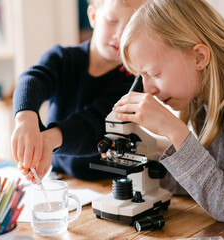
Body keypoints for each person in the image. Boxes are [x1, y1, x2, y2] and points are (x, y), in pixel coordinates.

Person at [113, 0, 224, 222]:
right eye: (141, 77)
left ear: (199, 58)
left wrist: (173, 130)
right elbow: (206, 181)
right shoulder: (202, 98)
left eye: (154, 74)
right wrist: (141, 154)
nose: (148, 91)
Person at [11, 0, 146, 181]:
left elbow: (94, 125)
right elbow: (33, 80)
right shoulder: (63, 58)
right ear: (93, 16)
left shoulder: (132, 83)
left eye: (132, 27)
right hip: (57, 173)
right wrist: (25, 118)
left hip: (105, 181)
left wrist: (48, 141)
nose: (120, 34)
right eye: (112, 21)